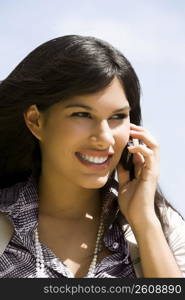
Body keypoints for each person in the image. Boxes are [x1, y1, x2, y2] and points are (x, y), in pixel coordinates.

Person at [0, 35, 184, 278]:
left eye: (118, 117)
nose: (105, 137)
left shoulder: (164, 226)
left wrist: (145, 223)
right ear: (36, 121)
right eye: (82, 115)